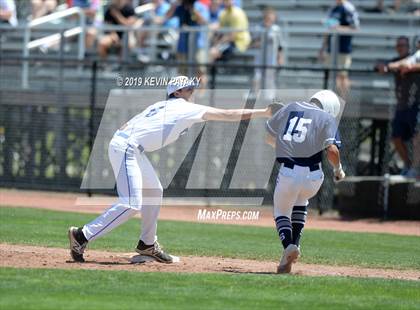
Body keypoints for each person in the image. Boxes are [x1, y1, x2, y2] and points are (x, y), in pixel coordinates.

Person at [68, 76, 273, 263]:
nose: (192, 92)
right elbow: (228, 114)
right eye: (188, 89)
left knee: (154, 191)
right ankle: (82, 235)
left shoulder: (161, 105)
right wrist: (264, 112)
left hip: (129, 146)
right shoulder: (183, 107)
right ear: (176, 93)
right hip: (128, 148)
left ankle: (147, 244)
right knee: (131, 204)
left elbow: (128, 124)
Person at [265, 90, 345, 273]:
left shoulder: (291, 107)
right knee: (301, 201)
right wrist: (338, 170)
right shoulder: (327, 118)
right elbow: (332, 150)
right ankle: (292, 250)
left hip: (289, 173)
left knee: (281, 212)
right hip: (314, 177)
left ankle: (288, 246)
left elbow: (269, 137)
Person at [376, 37, 419, 176]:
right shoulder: (400, 60)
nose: (400, 47)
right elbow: (382, 65)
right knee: (396, 136)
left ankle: (415, 169)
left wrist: (406, 66)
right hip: (402, 106)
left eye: (403, 45)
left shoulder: (414, 57)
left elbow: (407, 64)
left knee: (416, 137)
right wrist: (386, 66)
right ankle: (408, 165)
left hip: (415, 105)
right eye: (398, 45)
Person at [319, 0, 359, 98]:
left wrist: (338, 28)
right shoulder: (333, 8)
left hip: (343, 49)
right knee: (331, 76)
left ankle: (343, 102)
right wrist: (323, 48)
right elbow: (328, 29)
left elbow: (355, 28)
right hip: (331, 49)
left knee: (342, 77)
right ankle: (332, 102)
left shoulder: (348, 8)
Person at [163, 0, 209, 83]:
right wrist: (175, 4)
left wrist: (192, 9)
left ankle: (202, 94)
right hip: (183, 45)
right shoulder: (180, 7)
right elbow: (167, 16)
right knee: (182, 71)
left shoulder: (200, 6)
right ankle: (185, 93)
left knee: (200, 70)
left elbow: (203, 21)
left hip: (198, 45)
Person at [251, 7, 283, 96]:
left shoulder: (276, 29)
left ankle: (270, 99)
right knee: (257, 77)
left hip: (271, 58)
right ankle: (255, 96)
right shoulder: (258, 28)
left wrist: (280, 57)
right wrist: (260, 41)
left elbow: (279, 46)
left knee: (270, 79)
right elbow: (253, 43)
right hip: (259, 58)